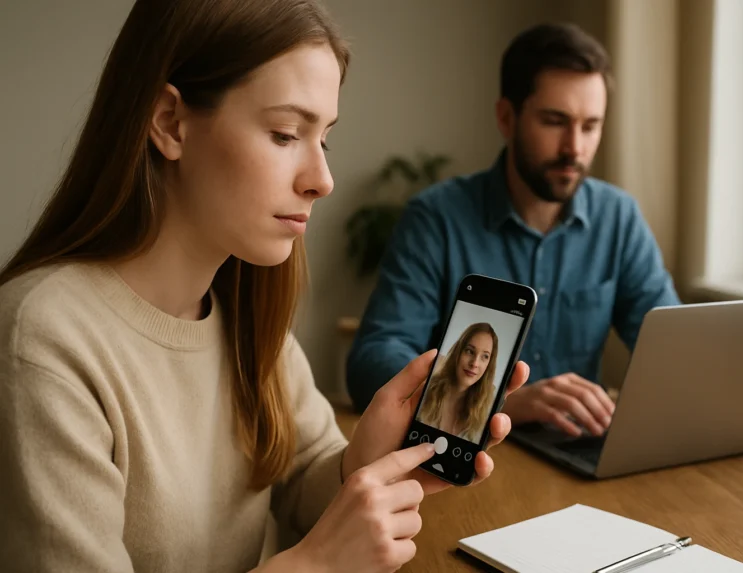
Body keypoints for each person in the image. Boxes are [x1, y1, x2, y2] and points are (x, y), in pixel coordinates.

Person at [0, 1, 529, 572]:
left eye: (323, 139)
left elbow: (301, 475)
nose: (322, 180)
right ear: (170, 123)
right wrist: (316, 566)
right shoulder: (43, 343)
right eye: (284, 134)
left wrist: (361, 465)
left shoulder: (244, 313)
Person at [347, 22, 680, 438]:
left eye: (590, 126)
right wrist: (495, 403)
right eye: (555, 121)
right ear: (507, 117)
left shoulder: (619, 218)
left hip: (574, 455)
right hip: (463, 457)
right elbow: (372, 361)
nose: (574, 148)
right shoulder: (435, 220)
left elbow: (674, 351)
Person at [416, 323, 499, 443]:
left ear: (489, 364)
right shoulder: (428, 386)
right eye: (470, 351)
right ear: (458, 352)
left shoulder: (488, 407)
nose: (475, 363)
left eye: (484, 356)